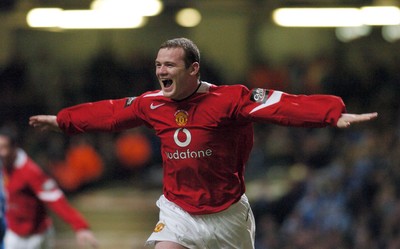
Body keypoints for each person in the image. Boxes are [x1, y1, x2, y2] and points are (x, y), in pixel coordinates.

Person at [29, 37, 378, 249]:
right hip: (179, 210)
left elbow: (280, 103)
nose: (161, 71)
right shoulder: (153, 103)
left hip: (227, 214)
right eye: (158, 65)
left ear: (193, 69)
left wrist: (331, 114)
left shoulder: (231, 100)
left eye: (169, 65)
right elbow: (110, 113)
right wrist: (64, 121)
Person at [0, 127, 99, 249]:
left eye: (4, 148)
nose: (0, 152)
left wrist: (80, 226)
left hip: (36, 236)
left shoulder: (30, 172)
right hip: (14, 233)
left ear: (14, 147)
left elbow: (55, 199)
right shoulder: (4, 165)